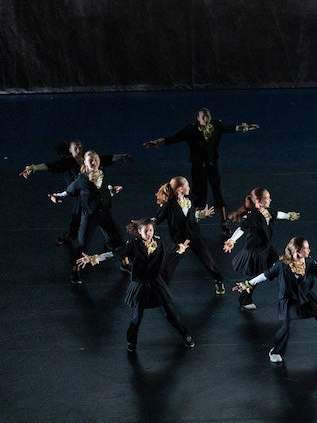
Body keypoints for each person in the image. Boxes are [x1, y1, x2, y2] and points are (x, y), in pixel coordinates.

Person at [76, 218, 196, 353]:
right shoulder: (133, 245)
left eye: (151, 230)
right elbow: (114, 254)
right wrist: (94, 258)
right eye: (146, 231)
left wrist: (181, 247)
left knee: (171, 313)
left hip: (156, 283)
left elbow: (171, 249)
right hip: (141, 284)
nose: (149, 233)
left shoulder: (159, 243)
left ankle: (185, 334)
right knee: (137, 317)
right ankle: (131, 341)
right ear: (139, 231)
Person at [143, 107, 259, 235]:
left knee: (217, 192)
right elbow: (175, 138)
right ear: (198, 118)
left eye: (208, 116)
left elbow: (231, 128)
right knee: (198, 194)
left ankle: (223, 222)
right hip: (198, 166)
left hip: (212, 164)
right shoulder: (191, 129)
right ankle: (192, 221)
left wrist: (247, 127)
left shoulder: (216, 125)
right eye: (203, 117)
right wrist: (156, 143)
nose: (206, 119)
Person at [234, 237, 317, 364]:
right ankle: (276, 351)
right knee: (286, 327)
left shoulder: (309, 262)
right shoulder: (281, 266)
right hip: (289, 300)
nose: (309, 250)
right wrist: (248, 284)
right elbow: (265, 275)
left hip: (306, 296)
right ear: (297, 251)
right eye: (306, 248)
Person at [20, 140, 132, 244]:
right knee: (79, 219)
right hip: (80, 196)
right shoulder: (69, 163)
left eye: (80, 148)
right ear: (70, 150)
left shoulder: (88, 160)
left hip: (93, 196)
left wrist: (121, 157)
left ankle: (110, 241)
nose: (78, 150)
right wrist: (33, 168)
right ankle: (70, 238)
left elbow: (106, 159)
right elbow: (52, 166)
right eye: (75, 148)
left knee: (102, 217)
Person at [48, 150, 125, 284]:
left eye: (96, 159)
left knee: (118, 240)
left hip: (105, 214)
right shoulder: (81, 179)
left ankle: (125, 263)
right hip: (89, 216)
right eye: (90, 160)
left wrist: (112, 191)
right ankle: (75, 269)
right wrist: (56, 196)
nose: (93, 162)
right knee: (83, 245)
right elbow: (69, 191)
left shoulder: (102, 173)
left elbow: (102, 191)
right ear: (85, 163)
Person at [223, 188, 299, 310]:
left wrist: (289, 216)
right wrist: (232, 240)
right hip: (255, 252)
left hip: (266, 249)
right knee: (255, 278)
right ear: (259, 201)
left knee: (281, 267)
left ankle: (290, 294)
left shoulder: (268, 211)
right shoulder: (252, 216)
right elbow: (242, 229)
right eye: (267, 198)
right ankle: (245, 299)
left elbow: (278, 214)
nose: (270, 200)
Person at [154, 176, 226, 294]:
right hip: (180, 240)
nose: (189, 187)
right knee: (169, 263)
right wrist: (144, 224)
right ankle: (160, 287)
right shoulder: (169, 205)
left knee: (208, 260)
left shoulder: (188, 201)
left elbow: (190, 216)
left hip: (194, 236)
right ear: (180, 189)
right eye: (187, 185)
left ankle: (218, 280)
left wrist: (202, 214)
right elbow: (157, 219)